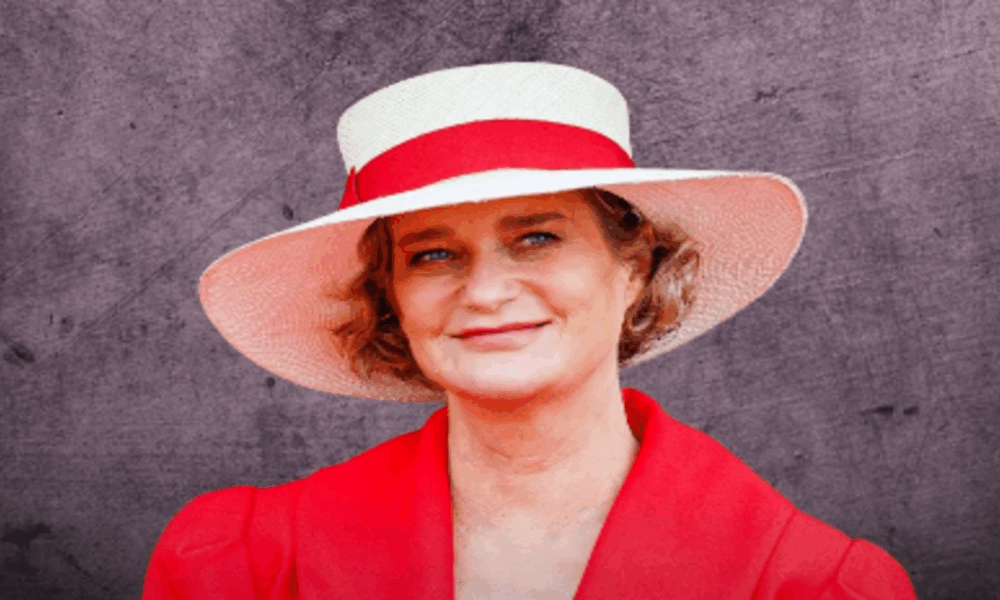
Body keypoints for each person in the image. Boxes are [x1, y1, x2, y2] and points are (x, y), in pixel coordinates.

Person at [141, 62, 917, 599]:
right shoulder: (243, 567)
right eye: (433, 254)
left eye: (537, 237)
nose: (485, 292)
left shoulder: (811, 585)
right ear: (390, 296)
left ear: (634, 266)